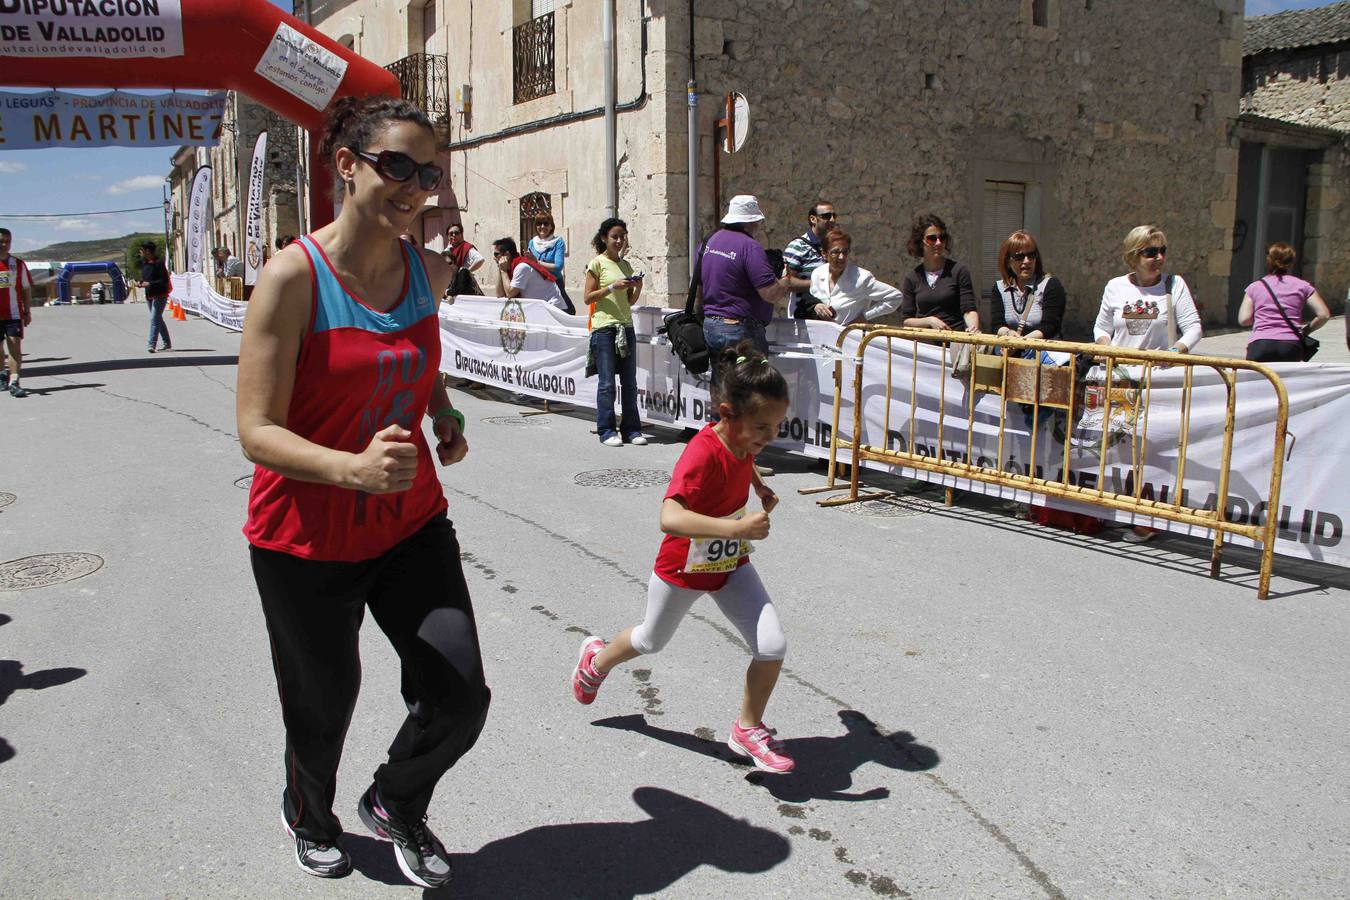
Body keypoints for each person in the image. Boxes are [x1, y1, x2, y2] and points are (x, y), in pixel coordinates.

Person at [235, 95, 489, 888]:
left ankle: (395, 800)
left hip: (410, 523)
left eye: (429, 173)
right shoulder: (293, 278)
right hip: (304, 539)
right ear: (348, 165)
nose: (416, 186)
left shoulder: (428, 272)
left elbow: (417, 357)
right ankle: (310, 814)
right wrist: (350, 469)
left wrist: (442, 411)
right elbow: (255, 430)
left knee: (459, 695)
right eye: (398, 166)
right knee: (322, 707)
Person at [571, 341, 796, 774]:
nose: (770, 437)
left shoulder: (742, 440)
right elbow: (669, 517)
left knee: (772, 645)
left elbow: (743, 456)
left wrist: (758, 485)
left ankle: (747, 728)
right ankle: (595, 661)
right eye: (762, 427)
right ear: (727, 414)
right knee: (649, 641)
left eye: (776, 426)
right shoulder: (701, 451)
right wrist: (736, 529)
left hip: (729, 565)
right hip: (683, 567)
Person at [1094, 224, 1203, 543]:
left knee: (1152, 450)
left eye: (1162, 251)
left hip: (1159, 381)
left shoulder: (1174, 285)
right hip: (1122, 378)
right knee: (1123, 448)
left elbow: (1193, 328)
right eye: (1150, 252)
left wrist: (1174, 351)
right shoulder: (1115, 286)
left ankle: (1148, 519)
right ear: (1133, 256)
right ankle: (1124, 510)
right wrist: (1104, 345)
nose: (1158, 258)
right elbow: (1101, 327)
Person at [583, 217, 646, 446]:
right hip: (604, 329)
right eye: (614, 237)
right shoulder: (596, 264)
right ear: (604, 238)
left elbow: (628, 301)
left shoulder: (626, 266)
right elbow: (587, 297)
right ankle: (607, 430)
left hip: (625, 327)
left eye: (622, 237)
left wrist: (637, 287)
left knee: (629, 383)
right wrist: (611, 287)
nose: (619, 241)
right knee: (607, 383)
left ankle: (631, 430)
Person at [1238, 242, 1330, 362]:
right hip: (1291, 344)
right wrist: (1306, 331)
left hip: (1260, 343)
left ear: (1268, 261)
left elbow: (1244, 320)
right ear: (1291, 263)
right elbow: (1324, 315)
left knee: (1257, 375)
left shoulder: (1255, 287)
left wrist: (1264, 317)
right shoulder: (1303, 286)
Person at [805, 228, 904, 326]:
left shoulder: (861, 278)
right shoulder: (817, 273)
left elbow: (895, 297)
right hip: (821, 332)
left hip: (850, 334)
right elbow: (812, 299)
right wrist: (816, 306)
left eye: (845, 252)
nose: (841, 257)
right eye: (835, 252)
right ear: (824, 254)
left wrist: (865, 316)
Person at [900, 213, 980, 334]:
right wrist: (930, 321)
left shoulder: (959, 271)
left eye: (942, 238)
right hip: (924, 342)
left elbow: (969, 310)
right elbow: (907, 321)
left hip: (954, 339)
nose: (938, 243)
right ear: (921, 242)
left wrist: (973, 328)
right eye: (932, 238)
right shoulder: (912, 278)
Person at [988, 231, 1066, 341]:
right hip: (1010, 346)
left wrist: (1021, 343)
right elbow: (997, 325)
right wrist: (1009, 334)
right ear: (1008, 261)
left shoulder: (1051, 285)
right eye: (1019, 257)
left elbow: (1050, 326)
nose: (1027, 261)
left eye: (1031, 255)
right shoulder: (999, 288)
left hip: (1041, 347)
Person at [784, 201, 836, 319]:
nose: (832, 220)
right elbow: (786, 282)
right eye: (827, 216)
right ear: (813, 219)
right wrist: (820, 284)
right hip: (804, 316)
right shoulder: (798, 246)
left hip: (830, 315)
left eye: (834, 216)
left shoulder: (834, 246)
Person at [492, 236, 569, 311]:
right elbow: (500, 295)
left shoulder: (522, 267)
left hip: (552, 307)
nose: (494, 258)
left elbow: (510, 294)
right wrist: (500, 268)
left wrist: (503, 271)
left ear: (507, 255)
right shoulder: (509, 268)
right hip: (539, 307)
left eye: (496, 254)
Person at [0, 227, 33, 398]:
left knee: (14, 345)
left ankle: (14, 381)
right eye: (1, 241)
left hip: (13, 314)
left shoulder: (18, 264)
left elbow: (26, 289)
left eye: (7, 241)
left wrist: (27, 311)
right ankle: (2, 374)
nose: (4, 245)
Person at [526, 211, 575, 313]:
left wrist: (537, 262)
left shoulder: (558, 242)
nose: (542, 227)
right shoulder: (532, 243)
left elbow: (558, 266)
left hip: (554, 283)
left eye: (546, 224)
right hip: (536, 284)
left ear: (551, 226)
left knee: (566, 312)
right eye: (539, 223)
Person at [137, 241, 172, 354]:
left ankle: (151, 344)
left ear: (148, 251)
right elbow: (145, 277)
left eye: (141, 250)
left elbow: (164, 280)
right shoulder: (145, 263)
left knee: (154, 319)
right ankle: (167, 342)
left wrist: (150, 284)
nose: (140, 252)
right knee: (158, 319)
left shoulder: (159, 263)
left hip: (160, 295)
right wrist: (140, 282)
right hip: (150, 295)